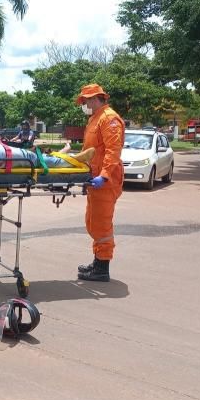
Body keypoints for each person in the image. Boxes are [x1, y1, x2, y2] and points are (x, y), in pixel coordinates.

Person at [75, 84, 124, 282]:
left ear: (96, 98)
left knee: (102, 225)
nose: (84, 104)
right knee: (92, 221)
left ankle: (102, 268)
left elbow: (113, 151)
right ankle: (98, 261)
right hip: (95, 178)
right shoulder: (95, 118)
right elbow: (92, 150)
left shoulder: (109, 118)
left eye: (86, 101)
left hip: (106, 180)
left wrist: (104, 175)